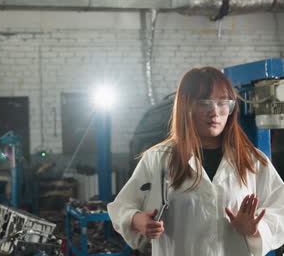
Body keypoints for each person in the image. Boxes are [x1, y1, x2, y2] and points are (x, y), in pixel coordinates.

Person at [108, 67, 284, 256]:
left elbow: (280, 211)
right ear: (186, 107)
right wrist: (137, 220)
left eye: (222, 103)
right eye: (203, 103)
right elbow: (121, 207)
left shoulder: (252, 161)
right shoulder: (159, 159)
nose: (214, 112)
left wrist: (254, 230)